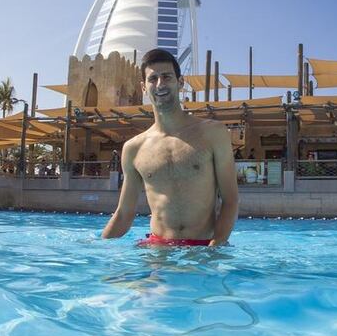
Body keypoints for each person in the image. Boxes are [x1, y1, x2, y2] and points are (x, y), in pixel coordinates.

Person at [102, 48, 239, 247]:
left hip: (203, 247)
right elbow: (124, 214)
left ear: (180, 82)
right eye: (153, 78)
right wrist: (94, 253)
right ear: (143, 87)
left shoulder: (213, 134)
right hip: (158, 248)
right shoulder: (134, 148)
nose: (160, 84)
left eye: (166, 77)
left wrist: (216, 245)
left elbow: (230, 199)